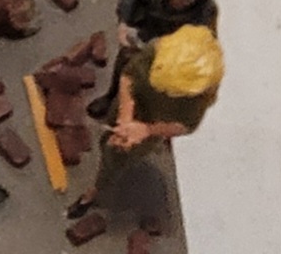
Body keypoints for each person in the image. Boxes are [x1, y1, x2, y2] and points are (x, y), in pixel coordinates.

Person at [68, 24, 224, 218]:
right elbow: (129, 75)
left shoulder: (197, 97)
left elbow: (185, 126)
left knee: (117, 157)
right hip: (130, 104)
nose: (163, 91)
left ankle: (94, 193)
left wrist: (146, 130)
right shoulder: (160, 51)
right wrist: (125, 117)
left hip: (154, 123)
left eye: (170, 90)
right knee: (108, 137)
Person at [87, 0, 218, 120]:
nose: (179, 0)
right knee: (125, 65)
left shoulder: (205, 12)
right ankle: (111, 97)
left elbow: (207, 44)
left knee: (154, 89)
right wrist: (124, 22)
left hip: (171, 55)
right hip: (144, 34)